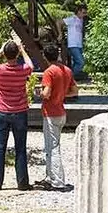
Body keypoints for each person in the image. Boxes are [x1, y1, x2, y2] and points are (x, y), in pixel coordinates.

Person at [0, 40, 34, 191]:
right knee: (20, 148)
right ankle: (22, 183)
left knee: (0, 148)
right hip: (19, 111)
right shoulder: (22, 70)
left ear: (6, 55)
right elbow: (31, 65)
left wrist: (0, 51)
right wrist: (22, 50)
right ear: (17, 53)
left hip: (1, 111)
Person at [37, 47, 75, 191]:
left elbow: (46, 94)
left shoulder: (49, 72)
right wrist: (62, 94)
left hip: (50, 113)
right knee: (52, 145)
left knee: (52, 148)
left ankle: (58, 182)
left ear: (45, 57)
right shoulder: (67, 70)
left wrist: (40, 93)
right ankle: (50, 177)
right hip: (61, 111)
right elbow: (74, 91)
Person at [64, 4, 87, 81]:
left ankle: (70, 79)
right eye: (83, 13)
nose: (84, 15)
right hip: (73, 44)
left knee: (76, 63)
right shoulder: (72, 19)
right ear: (78, 11)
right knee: (81, 62)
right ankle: (69, 78)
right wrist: (60, 34)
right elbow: (59, 22)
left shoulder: (81, 20)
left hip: (79, 45)